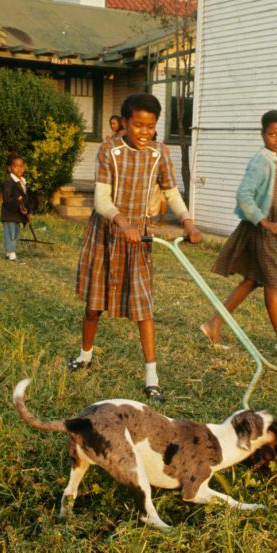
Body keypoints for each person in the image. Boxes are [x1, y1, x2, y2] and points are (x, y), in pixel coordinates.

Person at [70, 93, 201, 402]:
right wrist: (122, 222)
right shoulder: (109, 150)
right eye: (138, 125)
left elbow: (170, 190)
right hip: (107, 233)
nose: (145, 132)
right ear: (125, 123)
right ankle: (85, 356)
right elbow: (101, 200)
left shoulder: (158, 153)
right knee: (94, 304)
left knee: (144, 307)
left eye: (151, 126)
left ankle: (152, 378)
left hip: (139, 238)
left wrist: (187, 221)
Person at [200, 110, 277, 354]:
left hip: (269, 227)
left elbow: (271, 193)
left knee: (252, 280)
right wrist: (265, 222)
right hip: (260, 228)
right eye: (272, 134)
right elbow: (244, 195)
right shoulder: (261, 160)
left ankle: (213, 324)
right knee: (272, 280)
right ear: (262, 134)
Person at [1, 155, 30, 261]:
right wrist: (18, 205)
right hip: (9, 213)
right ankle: (12, 254)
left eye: (21, 166)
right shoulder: (9, 182)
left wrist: (27, 211)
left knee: (15, 233)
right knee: (11, 234)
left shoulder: (22, 182)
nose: (19, 169)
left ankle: (9, 253)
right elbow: (7, 199)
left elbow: (26, 199)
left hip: (17, 214)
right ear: (10, 168)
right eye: (16, 166)